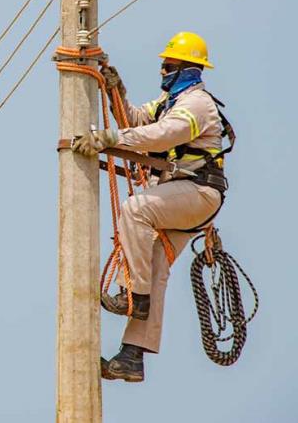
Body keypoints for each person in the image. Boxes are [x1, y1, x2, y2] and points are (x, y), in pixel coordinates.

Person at [71, 32, 232, 382]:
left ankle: (136, 294)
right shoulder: (168, 103)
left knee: (135, 210)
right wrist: (118, 93)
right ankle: (132, 356)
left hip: (198, 192)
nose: (162, 71)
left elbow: (163, 136)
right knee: (157, 266)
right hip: (180, 193)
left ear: (187, 69)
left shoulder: (197, 105)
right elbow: (134, 122)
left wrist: (110, 138)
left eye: (168, 66)